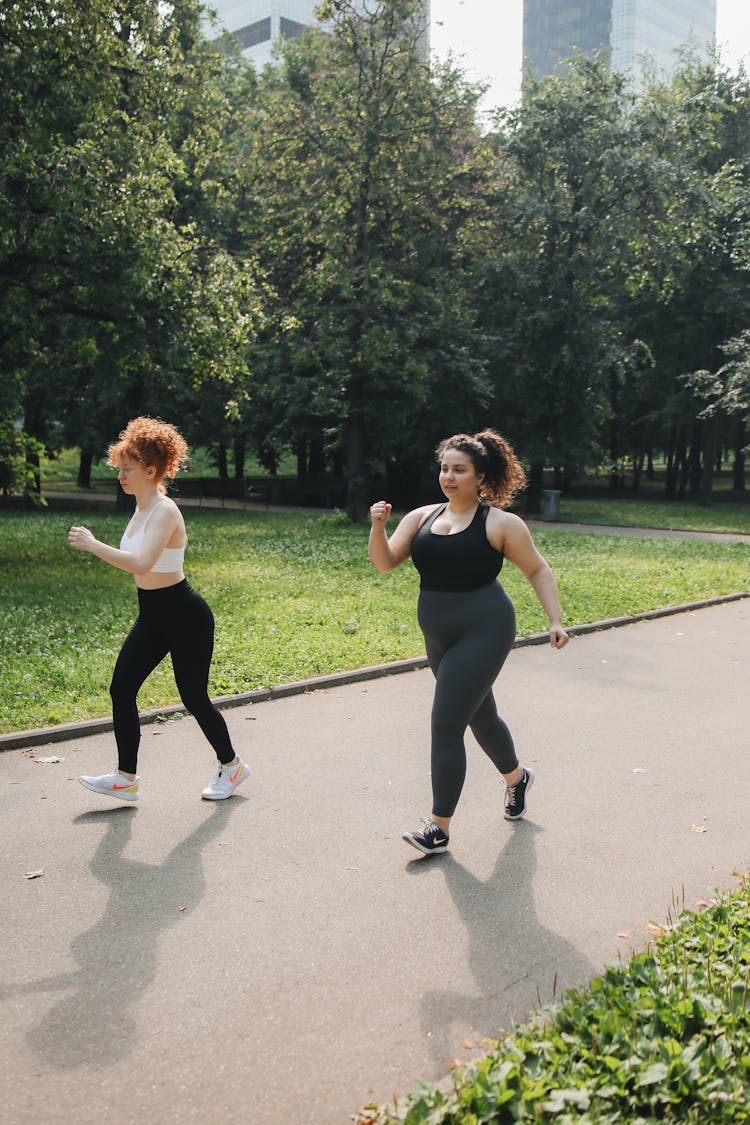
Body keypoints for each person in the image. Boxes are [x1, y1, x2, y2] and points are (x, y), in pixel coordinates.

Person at [368, 429, 569, 856]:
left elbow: (537, 569)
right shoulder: (420, 517)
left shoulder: (499, 524)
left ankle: (437, 828)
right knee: (481, 717)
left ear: (480, 476)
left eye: (460, 470)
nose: (449, 476)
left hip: (485, 627)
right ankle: (517, 779)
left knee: (446, 722)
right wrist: (377, 527)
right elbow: (385, 563)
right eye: (445, 468)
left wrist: (555, 619)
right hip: (438, 634)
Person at [68, 417, 249, 803]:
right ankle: (125, 778)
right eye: (119, 467)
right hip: (153, 615)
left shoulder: (165, 511)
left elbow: (142, 563)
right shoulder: (140, 508)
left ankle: (232, 767)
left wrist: (94, 544)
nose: (121, 475)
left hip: (185, 616)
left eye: (127, 468)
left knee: (193, 697)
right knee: (121, 688)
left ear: (150, 470)